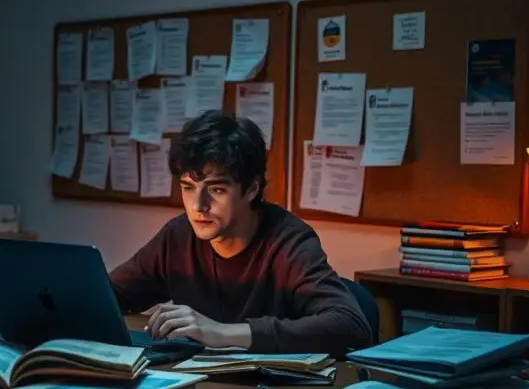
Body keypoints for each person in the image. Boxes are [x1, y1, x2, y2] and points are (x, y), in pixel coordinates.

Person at [107, 110, 372, 356]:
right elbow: (108, 296)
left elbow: (351, 326)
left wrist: (221, 333)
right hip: (199, 387)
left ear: (251, 190)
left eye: (216, 189)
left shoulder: (288, 241)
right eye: (188, 187)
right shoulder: (178, 236)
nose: (198, 206)